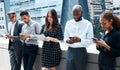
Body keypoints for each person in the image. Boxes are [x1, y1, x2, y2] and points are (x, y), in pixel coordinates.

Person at [64, 5, 94, 70]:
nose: (75, 16)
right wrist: (68, 41)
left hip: (81, 52)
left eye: (77, 14)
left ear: (82, 12)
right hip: (70, 51)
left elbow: (90, 41)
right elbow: (65, 38)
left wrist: (80, 40)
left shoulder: (88, 24)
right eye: (74, 14)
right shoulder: (68, 23)